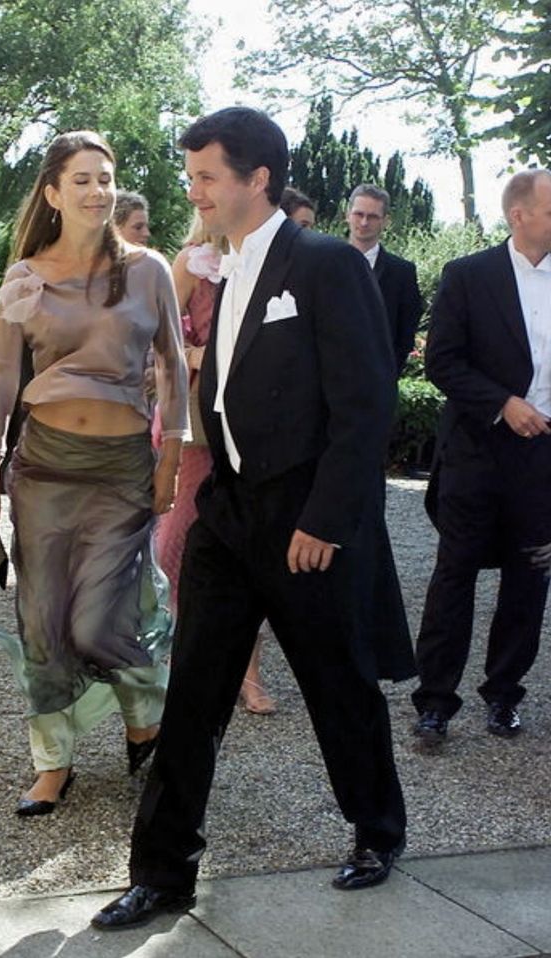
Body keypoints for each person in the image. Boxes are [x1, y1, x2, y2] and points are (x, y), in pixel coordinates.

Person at [92, 107, 414, 931]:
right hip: (228, 514)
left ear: (255, 178)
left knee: (338, 687)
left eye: (205, 177)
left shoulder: (326, 264)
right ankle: (162, 874)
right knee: (194, 695)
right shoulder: (216, 269)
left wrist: (328, 519)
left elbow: (365, 403)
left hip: (305, 524)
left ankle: (378, 831)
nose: (192, 191)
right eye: (192, 175)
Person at [0, 131, 189, 815]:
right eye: (82, 179)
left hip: (122, 467)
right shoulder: (26, 276)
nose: (99, 190)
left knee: (96, 622)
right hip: (43, 468)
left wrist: (172, 460)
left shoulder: (149, 269)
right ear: (54, 193)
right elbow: (2, 377)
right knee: (42, 620)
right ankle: (53, 764)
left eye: (106, 177)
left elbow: (173, 367)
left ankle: (146, 716)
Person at [412, 169, 551, 745]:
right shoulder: (468, 276)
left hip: (544, 458)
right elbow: (442, 361)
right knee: (455, 575)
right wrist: (502, 404)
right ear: (519, 215)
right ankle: (436, 702)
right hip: (478, 451)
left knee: (530, 580)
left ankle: (504, 696)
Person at [156, 211, 276, 715]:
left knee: (247, 546)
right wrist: (204, 354)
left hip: (257, 424)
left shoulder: (272, 263)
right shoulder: (190, 263)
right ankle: (177, 655)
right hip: (202, 423)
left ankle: (248, 673)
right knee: (179, 539)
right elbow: (159, 345)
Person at [346, 184, 423, 374]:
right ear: (347, 215)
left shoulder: (402, 273)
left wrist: (387, 375)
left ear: (385, 221)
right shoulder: (323, 263)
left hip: (377, 383)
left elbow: (405, 332)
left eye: (372, 217)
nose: (364, 222)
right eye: (359, 214)